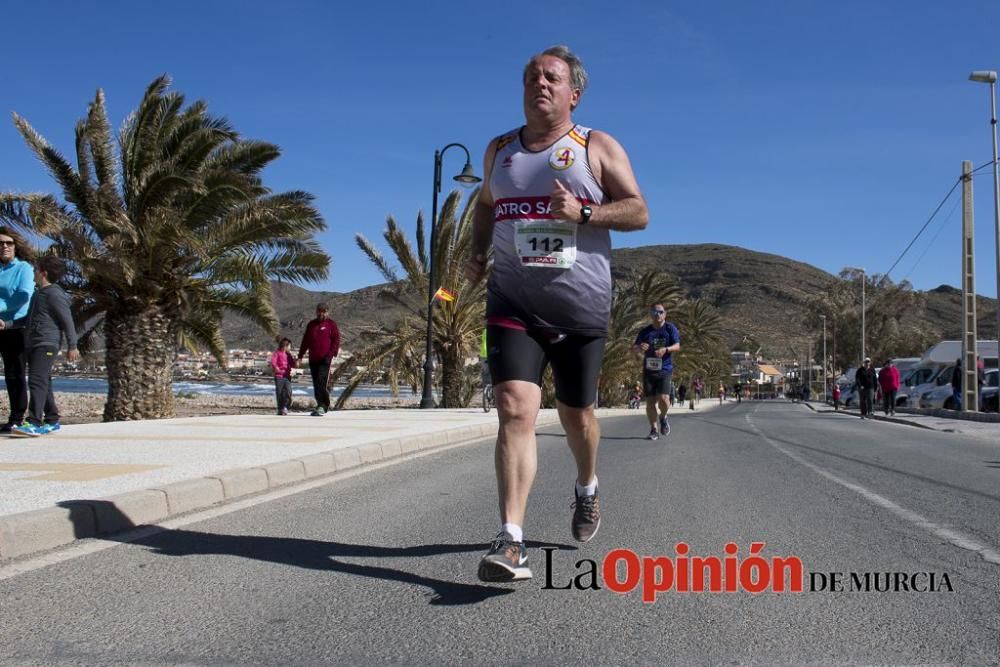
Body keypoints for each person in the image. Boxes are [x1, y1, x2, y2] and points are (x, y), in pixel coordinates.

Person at [465, 45, 648, 582]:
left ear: (575, 93)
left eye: (551, 77)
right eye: (530, 76)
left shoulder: (595, 146)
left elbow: (638, 210)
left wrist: (586, 211)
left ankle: (587, 486)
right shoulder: (498, 150)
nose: (539, 83)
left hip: (579, 309)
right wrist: (478, 252)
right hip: (512, 302)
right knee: (515, 408)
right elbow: (484, 205)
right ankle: (511, 542)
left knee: (578, 416)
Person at [8, 256, 78, 437]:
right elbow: (27, 319)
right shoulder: (38, 294)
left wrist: (73, 345)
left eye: (35, 269)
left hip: (46, 343)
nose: (33, 272)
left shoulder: (54, 294)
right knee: (44, 381)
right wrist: (7, 324)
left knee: (36, 380)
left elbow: (67, 320)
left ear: (43, 273)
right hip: (34, 343)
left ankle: (34, 422)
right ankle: (52, 419)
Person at [0, 228, 34, 433]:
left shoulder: (24, 268)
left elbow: (23, 296)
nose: (4, 246)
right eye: (1, 243)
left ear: (16, 246)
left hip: (16, 326)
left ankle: (17, 417)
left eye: (9, 243)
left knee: (15, 373)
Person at [633, 305, 681, 440]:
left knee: (664, 399)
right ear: (651, 314)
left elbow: (677, 346)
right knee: (650, 401)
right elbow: (633, 349)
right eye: (654, 312)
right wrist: (640, 347)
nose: (657, 314)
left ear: (665, 314)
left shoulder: (670, 329)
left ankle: (663, 417)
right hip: (649, 370)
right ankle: (654, 429)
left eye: (660, 312)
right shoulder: (645, 331)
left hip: (665, 369)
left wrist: (666, 349)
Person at [298, 303, 340, 416]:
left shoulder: (331, 324)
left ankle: (323, 405)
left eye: (324, 311)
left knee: (321, 381)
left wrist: (331, 355)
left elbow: (336, 340)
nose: (321, 313)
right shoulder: (311, 325)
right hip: (313, 358)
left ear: (327, 312)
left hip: (325, 359)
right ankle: (321, 404)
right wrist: (300, 355)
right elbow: (305, 341)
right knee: (316, 383)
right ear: (316, 311)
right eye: (319, 311)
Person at [270, 337, 297, 415]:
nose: (290, 348)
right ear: (285, 346)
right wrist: (276, 367)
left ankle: (285, 407)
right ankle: (280, 408)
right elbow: (273, 362)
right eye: (289, 346)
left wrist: (295, 362)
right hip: (279, 376)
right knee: (280, 393)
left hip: (287, 376)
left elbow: (293, 365)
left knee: (289, 392)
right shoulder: (277, 353)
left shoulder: (289, 355)